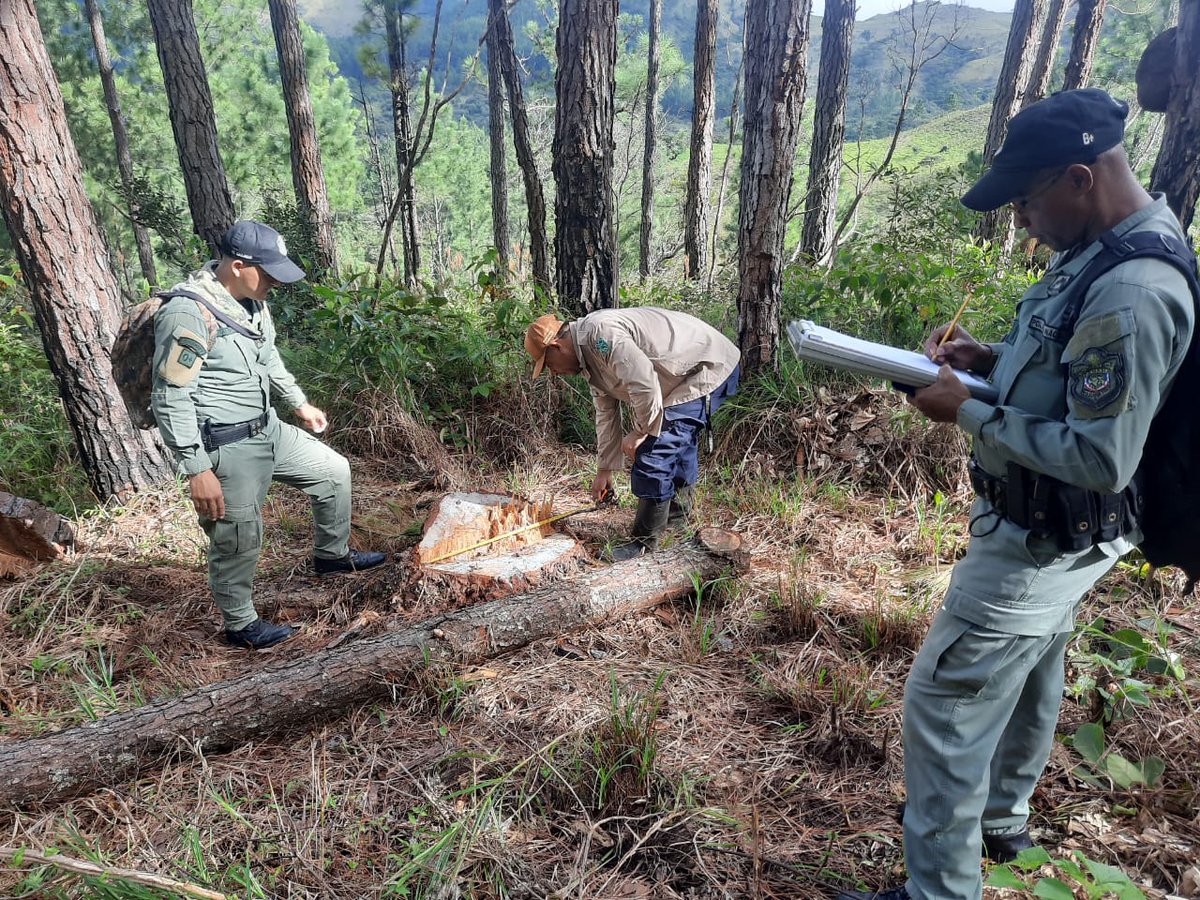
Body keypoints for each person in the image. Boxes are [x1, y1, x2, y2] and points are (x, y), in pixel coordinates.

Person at [836, 88, 1195, 900]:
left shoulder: (1132, 290)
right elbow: (1068, 379)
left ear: (1079, 177)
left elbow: (1101, 454)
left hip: (1045, 531)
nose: (1021, 222)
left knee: (946, 704)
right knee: (1033, 669)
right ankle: (1001, 822)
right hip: (1066, 536)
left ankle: (938, 890)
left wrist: (969, 411)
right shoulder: (1111, 245)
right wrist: (990, 360)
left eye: (1028, 202)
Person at [151, 220, 386, 650]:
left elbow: (269, 358)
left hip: (269, 428)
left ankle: (332, 558)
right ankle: (240, 624)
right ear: (238, 265)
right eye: (270, 272)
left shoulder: (253, 302)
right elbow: (171, 396)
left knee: (334, 472)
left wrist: (298, 403)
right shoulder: (188, 312)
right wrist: (196, 467)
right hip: (226, 443)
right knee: (239, 537)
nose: (276, 281)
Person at [524, 307, 740, 560]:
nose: (554, 373)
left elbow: (643, 382)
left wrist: (641, 432)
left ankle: (643, 545)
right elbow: (606, 415)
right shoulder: (588, 360)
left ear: (557, 346)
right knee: (676, 442)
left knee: (654, 450)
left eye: (548, 364)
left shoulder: (600, 335)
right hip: (681, 376)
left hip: (706, 367)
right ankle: (676, 524)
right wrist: (605, 469)